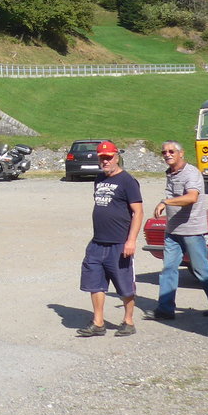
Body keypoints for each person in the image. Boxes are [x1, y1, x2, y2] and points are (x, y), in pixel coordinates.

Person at [77, 140, 143, 337]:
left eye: (108, 157)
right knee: (94, 282)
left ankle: (128, 321)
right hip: (98, 242)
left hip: (120, 243)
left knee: (124, 285)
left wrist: (131, 241)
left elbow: (137, 212)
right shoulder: (99, 179)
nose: (105, 161)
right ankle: (98, 322)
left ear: (116, 157)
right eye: (102, 158)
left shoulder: (128, 181)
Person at [146, 140, 208, 320]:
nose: (167, 154)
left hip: (191, 230)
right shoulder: (171, 173)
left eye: (171, 151)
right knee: (168, 269)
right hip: (173, 230)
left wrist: (165, 202)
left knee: (202, 271)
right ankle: (165, 309)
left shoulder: (191, 173)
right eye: (164, 152)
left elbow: (191, 197)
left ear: (181, 153)